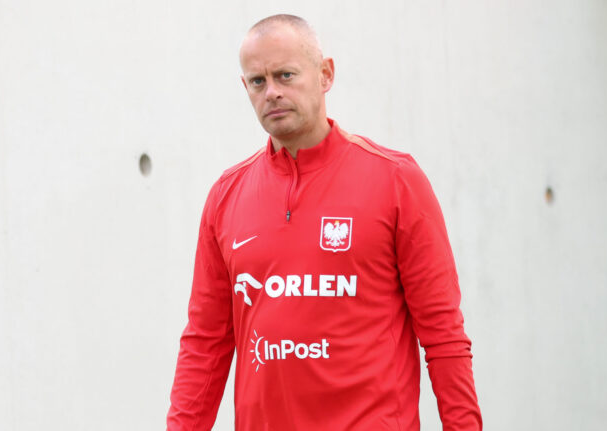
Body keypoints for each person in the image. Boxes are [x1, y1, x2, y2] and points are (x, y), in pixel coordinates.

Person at [167, 14, 482, 431]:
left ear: (325, 74)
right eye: (258, 82)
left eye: (285, 75)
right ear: (245, 88)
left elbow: (444, 335)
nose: (272, 92)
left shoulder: (395, 181)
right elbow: (205, 343)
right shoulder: (226, 195)